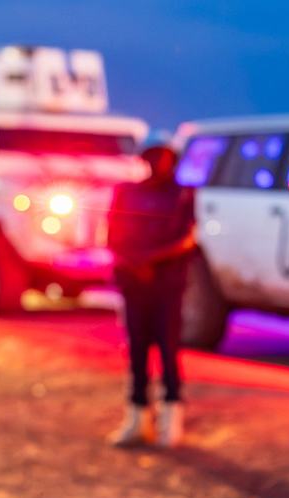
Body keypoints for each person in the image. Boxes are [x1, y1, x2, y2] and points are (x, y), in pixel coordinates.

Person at [106, 141, 197, 447]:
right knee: (137, 351)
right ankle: (137, 417)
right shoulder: (127, 192)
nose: (158, 163)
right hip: (135, 285)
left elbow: (187, 238)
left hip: (167, 286)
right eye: (153, 156)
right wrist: (133, 264)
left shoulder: (183, 194)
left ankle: (171, 419)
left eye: (164, 157)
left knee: (169, 351)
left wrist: (150, 260)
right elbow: (112, 233)